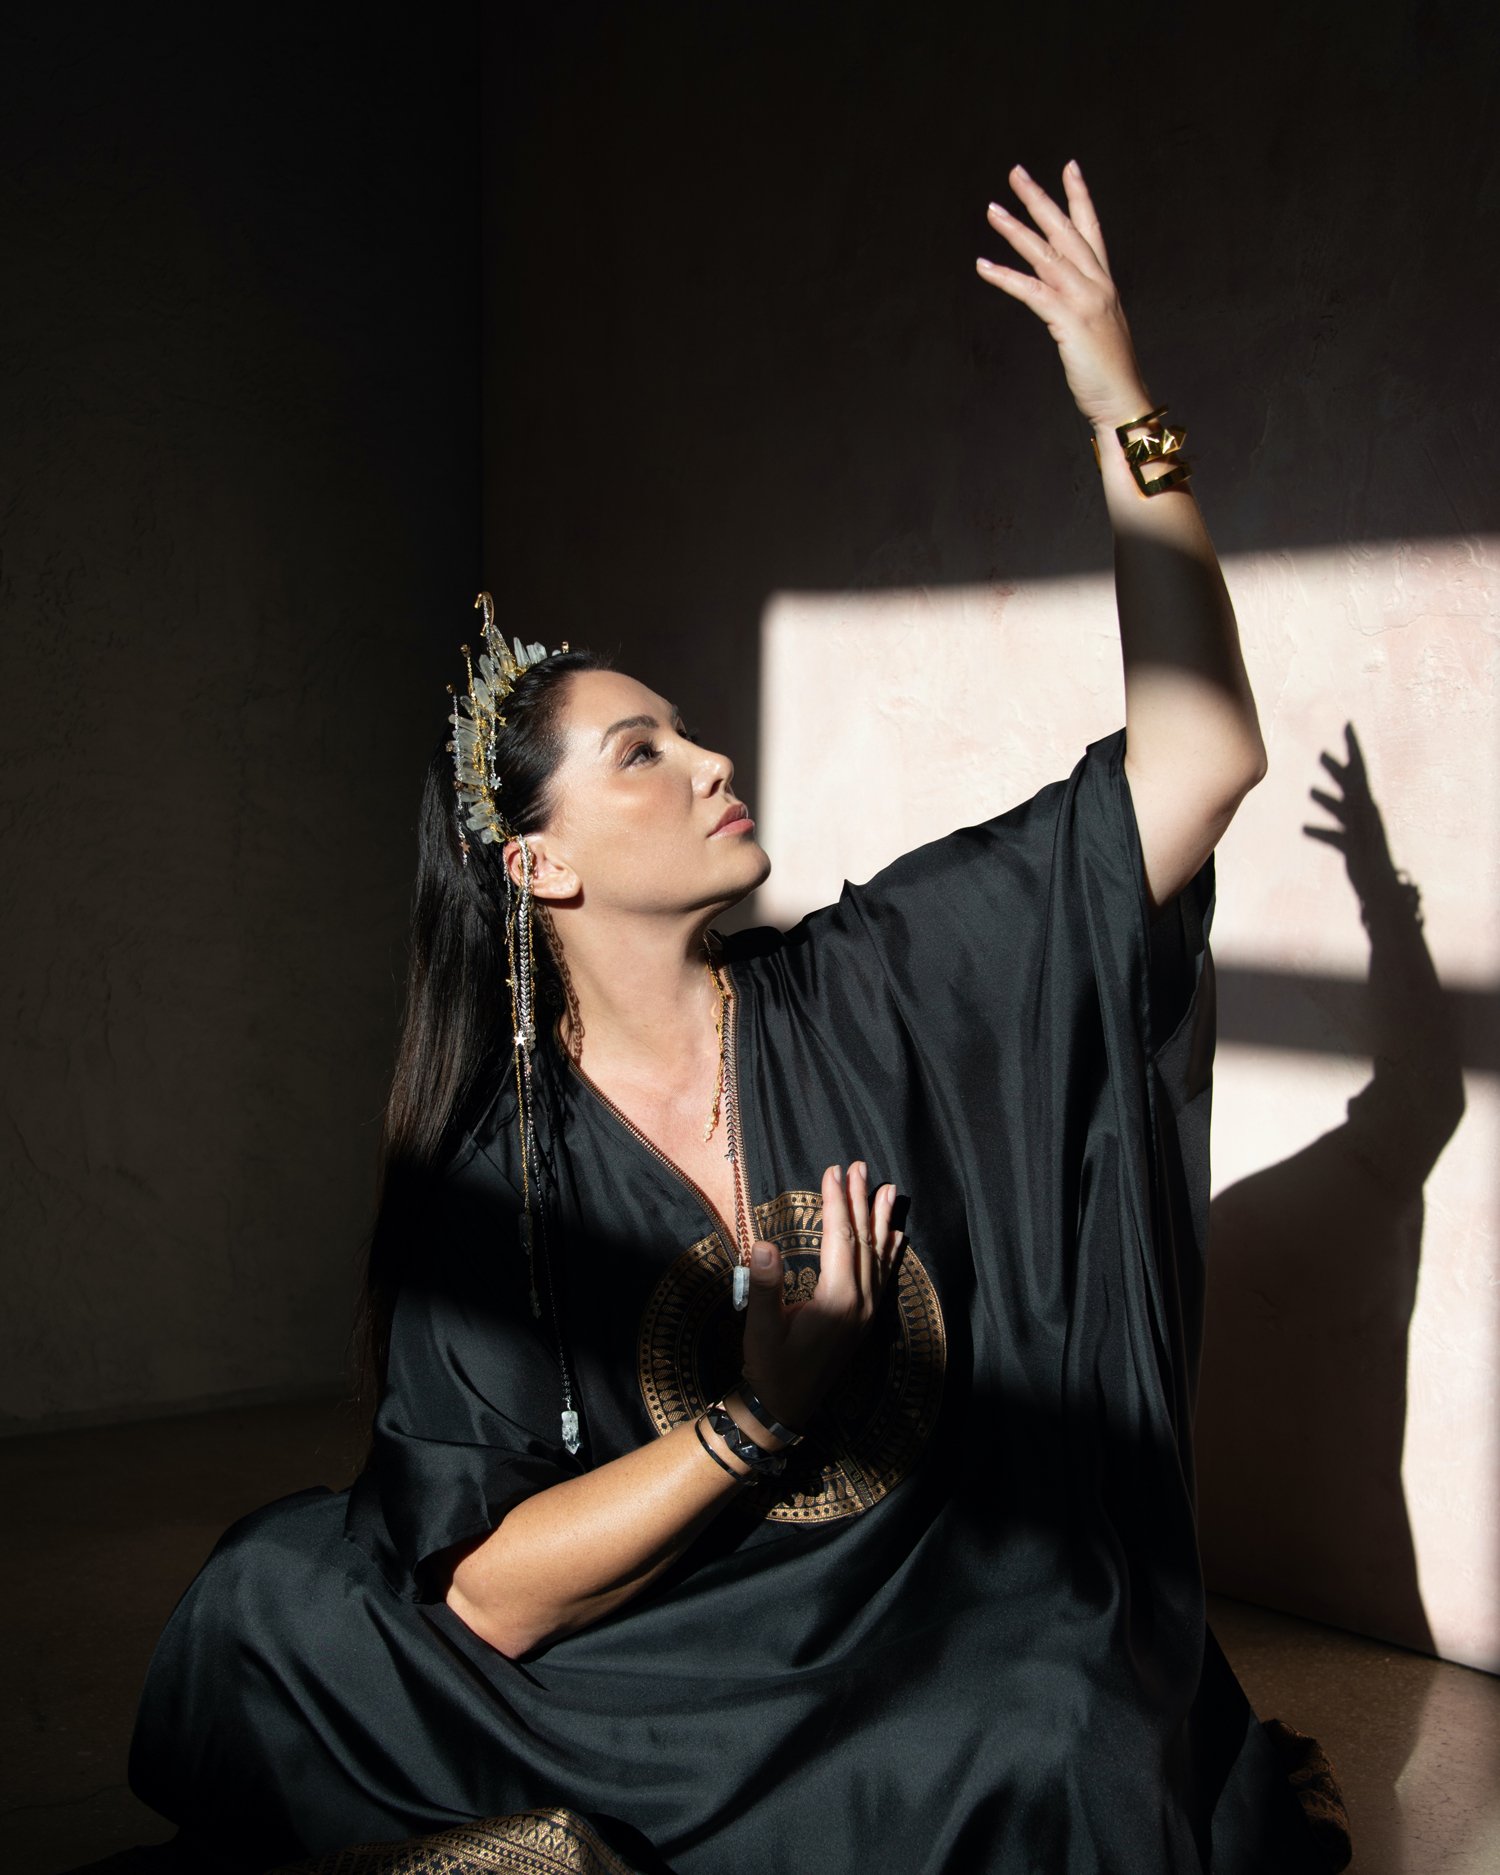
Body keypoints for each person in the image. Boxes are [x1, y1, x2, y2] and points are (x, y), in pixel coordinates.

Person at [126, 163, 1351, 1875]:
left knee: (1057, 1738)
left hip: (916, 1607)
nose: (711, 760)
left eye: (690, 728)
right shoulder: (501, 1175)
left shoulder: (882, 978)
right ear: (536, 861)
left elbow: (1200, 760)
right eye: (645, 751)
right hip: (668, 1645)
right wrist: (761, 1413)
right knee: (275, 1612)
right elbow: (488, 1593)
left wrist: (1120, 406)